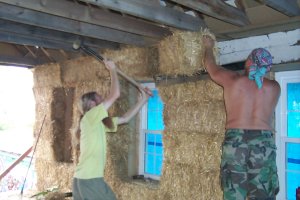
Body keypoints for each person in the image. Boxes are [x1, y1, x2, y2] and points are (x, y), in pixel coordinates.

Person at [202, 35, 281, 200]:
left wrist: (208, 46)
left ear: (250, 62)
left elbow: (210, 67)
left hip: (235, 142)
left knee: (233, 194)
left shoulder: (233, 80)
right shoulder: (274, 87)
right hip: (263, 144)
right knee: (263, 194)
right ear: (267, 67)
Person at [72, 59, 151, 200]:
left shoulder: (97, 123)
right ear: (91, 104)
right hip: (90, 180)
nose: (103, 101)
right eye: (100, 99)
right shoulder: (90, 116)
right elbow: (115, 95)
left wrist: (143, 99)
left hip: (82, 179)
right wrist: (112, 70)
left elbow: (125, 118)